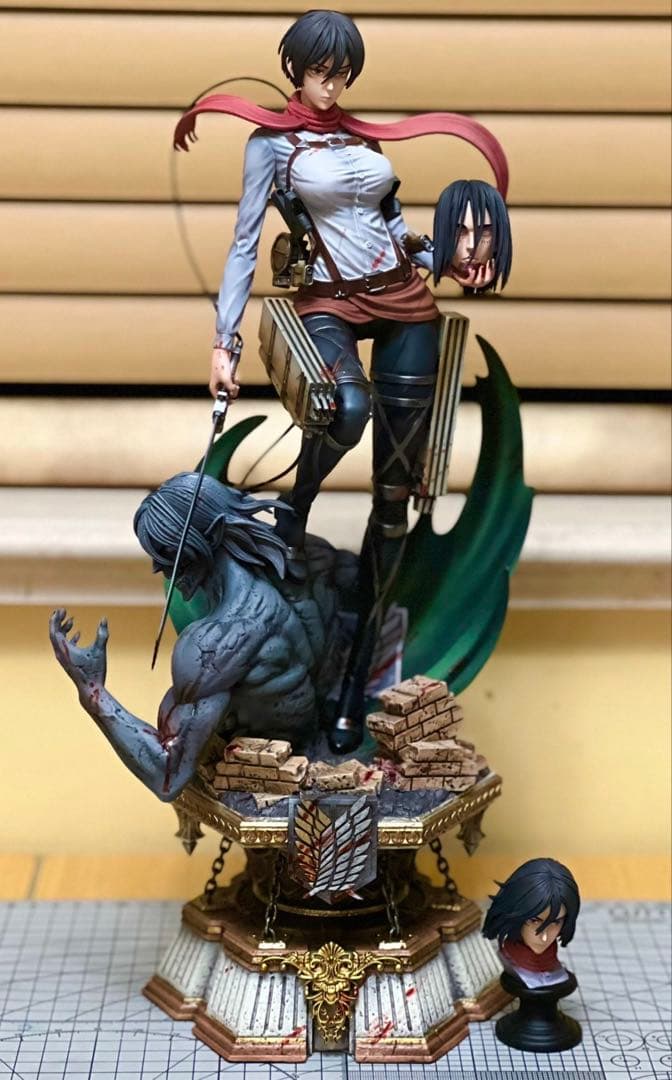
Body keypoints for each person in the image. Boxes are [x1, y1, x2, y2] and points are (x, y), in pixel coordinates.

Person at [174, 10, 511, 751]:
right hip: (326, 301)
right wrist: (224, 341)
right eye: (320, 71)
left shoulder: (363, 139)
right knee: (344, 408)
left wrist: (449, 256)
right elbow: (243, 244)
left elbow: (392, 229)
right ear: (295, 69)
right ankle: (293, 512)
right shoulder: (271, 145)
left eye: (342, 73)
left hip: (402, 298)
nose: (331, 85)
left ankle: (357, 678)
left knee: (395, 499)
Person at [482, 857, 581, 989]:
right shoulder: (510, 961)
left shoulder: (554, 967)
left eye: (556, 922)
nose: (544, 937)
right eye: (534, 921)